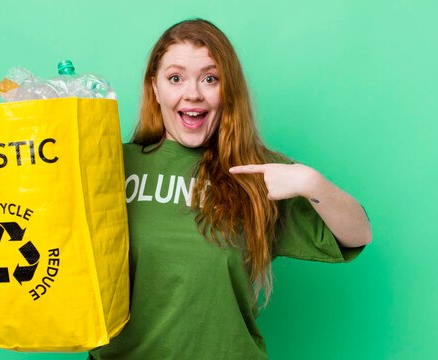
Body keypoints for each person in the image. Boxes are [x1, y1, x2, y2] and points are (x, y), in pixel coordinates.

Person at [89, 18, 372, 360]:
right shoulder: (111, 165)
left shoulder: (257, 172)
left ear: (228, 89)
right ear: (155, 87)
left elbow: (358, 234)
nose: (193, 93)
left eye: (210, 79)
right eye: (175, 78)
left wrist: (310, 182)